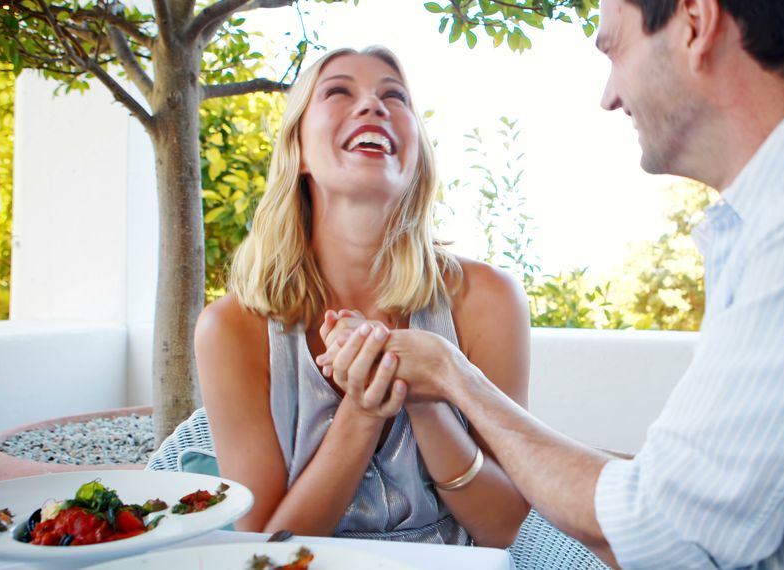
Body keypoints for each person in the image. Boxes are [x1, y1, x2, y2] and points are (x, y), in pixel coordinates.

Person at [322, 0, 784, 567]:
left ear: (695, 25)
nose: (608, 95)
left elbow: (661, 535)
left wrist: (453, 375)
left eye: (614, 48)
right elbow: (686, 490)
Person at [194, 46, 531, 546]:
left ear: (415, 152)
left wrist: (426, 397)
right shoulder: (230, 329)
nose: (374, 106)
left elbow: (502, 528)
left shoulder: (488, 301)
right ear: (300, 149)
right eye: (338, 91)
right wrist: (364, 410)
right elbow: (266, 545)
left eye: (394, 96)